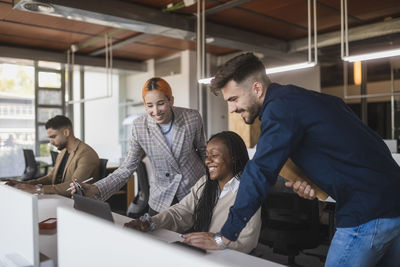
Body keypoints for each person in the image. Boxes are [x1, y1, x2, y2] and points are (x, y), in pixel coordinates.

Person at [199, 53, 400, 266]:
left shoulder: (279, 109)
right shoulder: (302, 99)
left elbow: (259, 171)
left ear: (257, 89)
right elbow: (359, 145)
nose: (231, 109)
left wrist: (227, 235)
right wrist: (312, 181)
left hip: (367, 211)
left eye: (234, 99)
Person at [72, 77, 206, 215]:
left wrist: (215, 186)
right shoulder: (140, 126)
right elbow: (126, 168)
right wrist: (95, 188)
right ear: (144, 105)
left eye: (161, 103)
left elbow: (204, 152)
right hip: (162, 197)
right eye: (149, 105)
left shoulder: (192, 117)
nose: (156, 111)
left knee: (195, 236)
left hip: (194, 191)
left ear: (171, 100)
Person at [124, 131, 261, 254]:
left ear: (234, 157)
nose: (207, 161)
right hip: (204, 254)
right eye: (207, 156)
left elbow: (246, 242)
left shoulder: (248, 190)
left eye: (214, 156)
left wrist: (216, 240)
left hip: (229, 258)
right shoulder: (205, 183)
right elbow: (182, 212)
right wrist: (150, 222)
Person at [7, 115, 99, 197]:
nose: (51, 142)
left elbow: (74, 186)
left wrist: (37, 189)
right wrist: (26, 184)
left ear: (66, 132)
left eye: (53, 137)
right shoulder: (63, 152)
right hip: (59, 198)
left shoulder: (86, 154)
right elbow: (51, 177)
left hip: (75, 205)